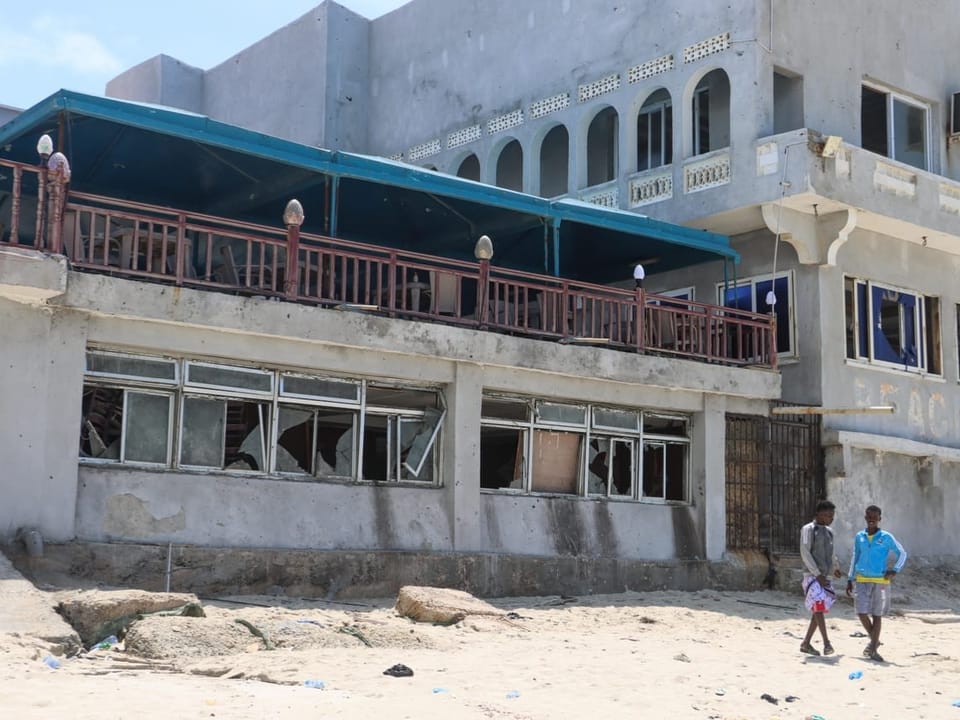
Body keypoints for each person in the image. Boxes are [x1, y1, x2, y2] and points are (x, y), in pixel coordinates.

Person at [846, 504, 907, 662]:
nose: (872, 519)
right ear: (865, 517)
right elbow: (855, 556)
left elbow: (902, 553)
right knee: (861, 612)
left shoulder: (886, 537)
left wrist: (895, 569)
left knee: (877, 615)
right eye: (869, 517)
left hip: (880, 581)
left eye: (875, 517)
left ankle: (872, 648)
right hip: (861, 580)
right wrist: (850, 578)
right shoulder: (859, 536)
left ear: (879, 519)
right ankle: (875, 641)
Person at [798, 500, 842, 656]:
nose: (831, 518)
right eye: (828, 515)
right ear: (819, 514)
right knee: (819, 607)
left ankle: (806, 643)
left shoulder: (829, 532)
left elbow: (831, 552)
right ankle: (826, 643)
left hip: (826, 576)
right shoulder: (808, 529)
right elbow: (805, 552)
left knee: (818, 610)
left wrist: (835, 567)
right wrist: (817, 574)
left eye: (832, 515)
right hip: (812, 575)